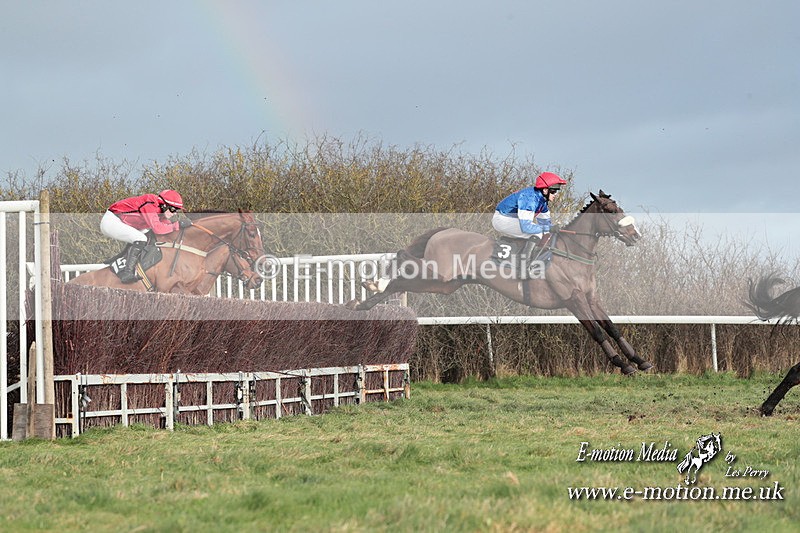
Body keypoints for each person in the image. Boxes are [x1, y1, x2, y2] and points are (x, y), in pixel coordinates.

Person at [100, 189, 191, 282]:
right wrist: (177, 225)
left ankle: (119, 260)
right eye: (173, 209)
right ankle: (127, 273)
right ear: (164, 205)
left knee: (147, 236)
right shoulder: (150, 204)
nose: (174, 213)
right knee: (141, 238)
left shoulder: (161, 211)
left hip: (125, 222)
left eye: (176, 210)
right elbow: (158, 229)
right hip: (112, 221)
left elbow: (166, 229)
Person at [492, 171, 567, 259]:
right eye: (554, 191)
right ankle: (525, 264)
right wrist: (549, 229)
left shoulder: (542, 202)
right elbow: (526, 227)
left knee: (545, 233)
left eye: (557, 191)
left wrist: (557, 230)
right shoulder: (529, 199)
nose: (556, 195)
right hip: (502, 220)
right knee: (538, 232)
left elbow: (546, 224)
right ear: (545, 190)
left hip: (512, 220)